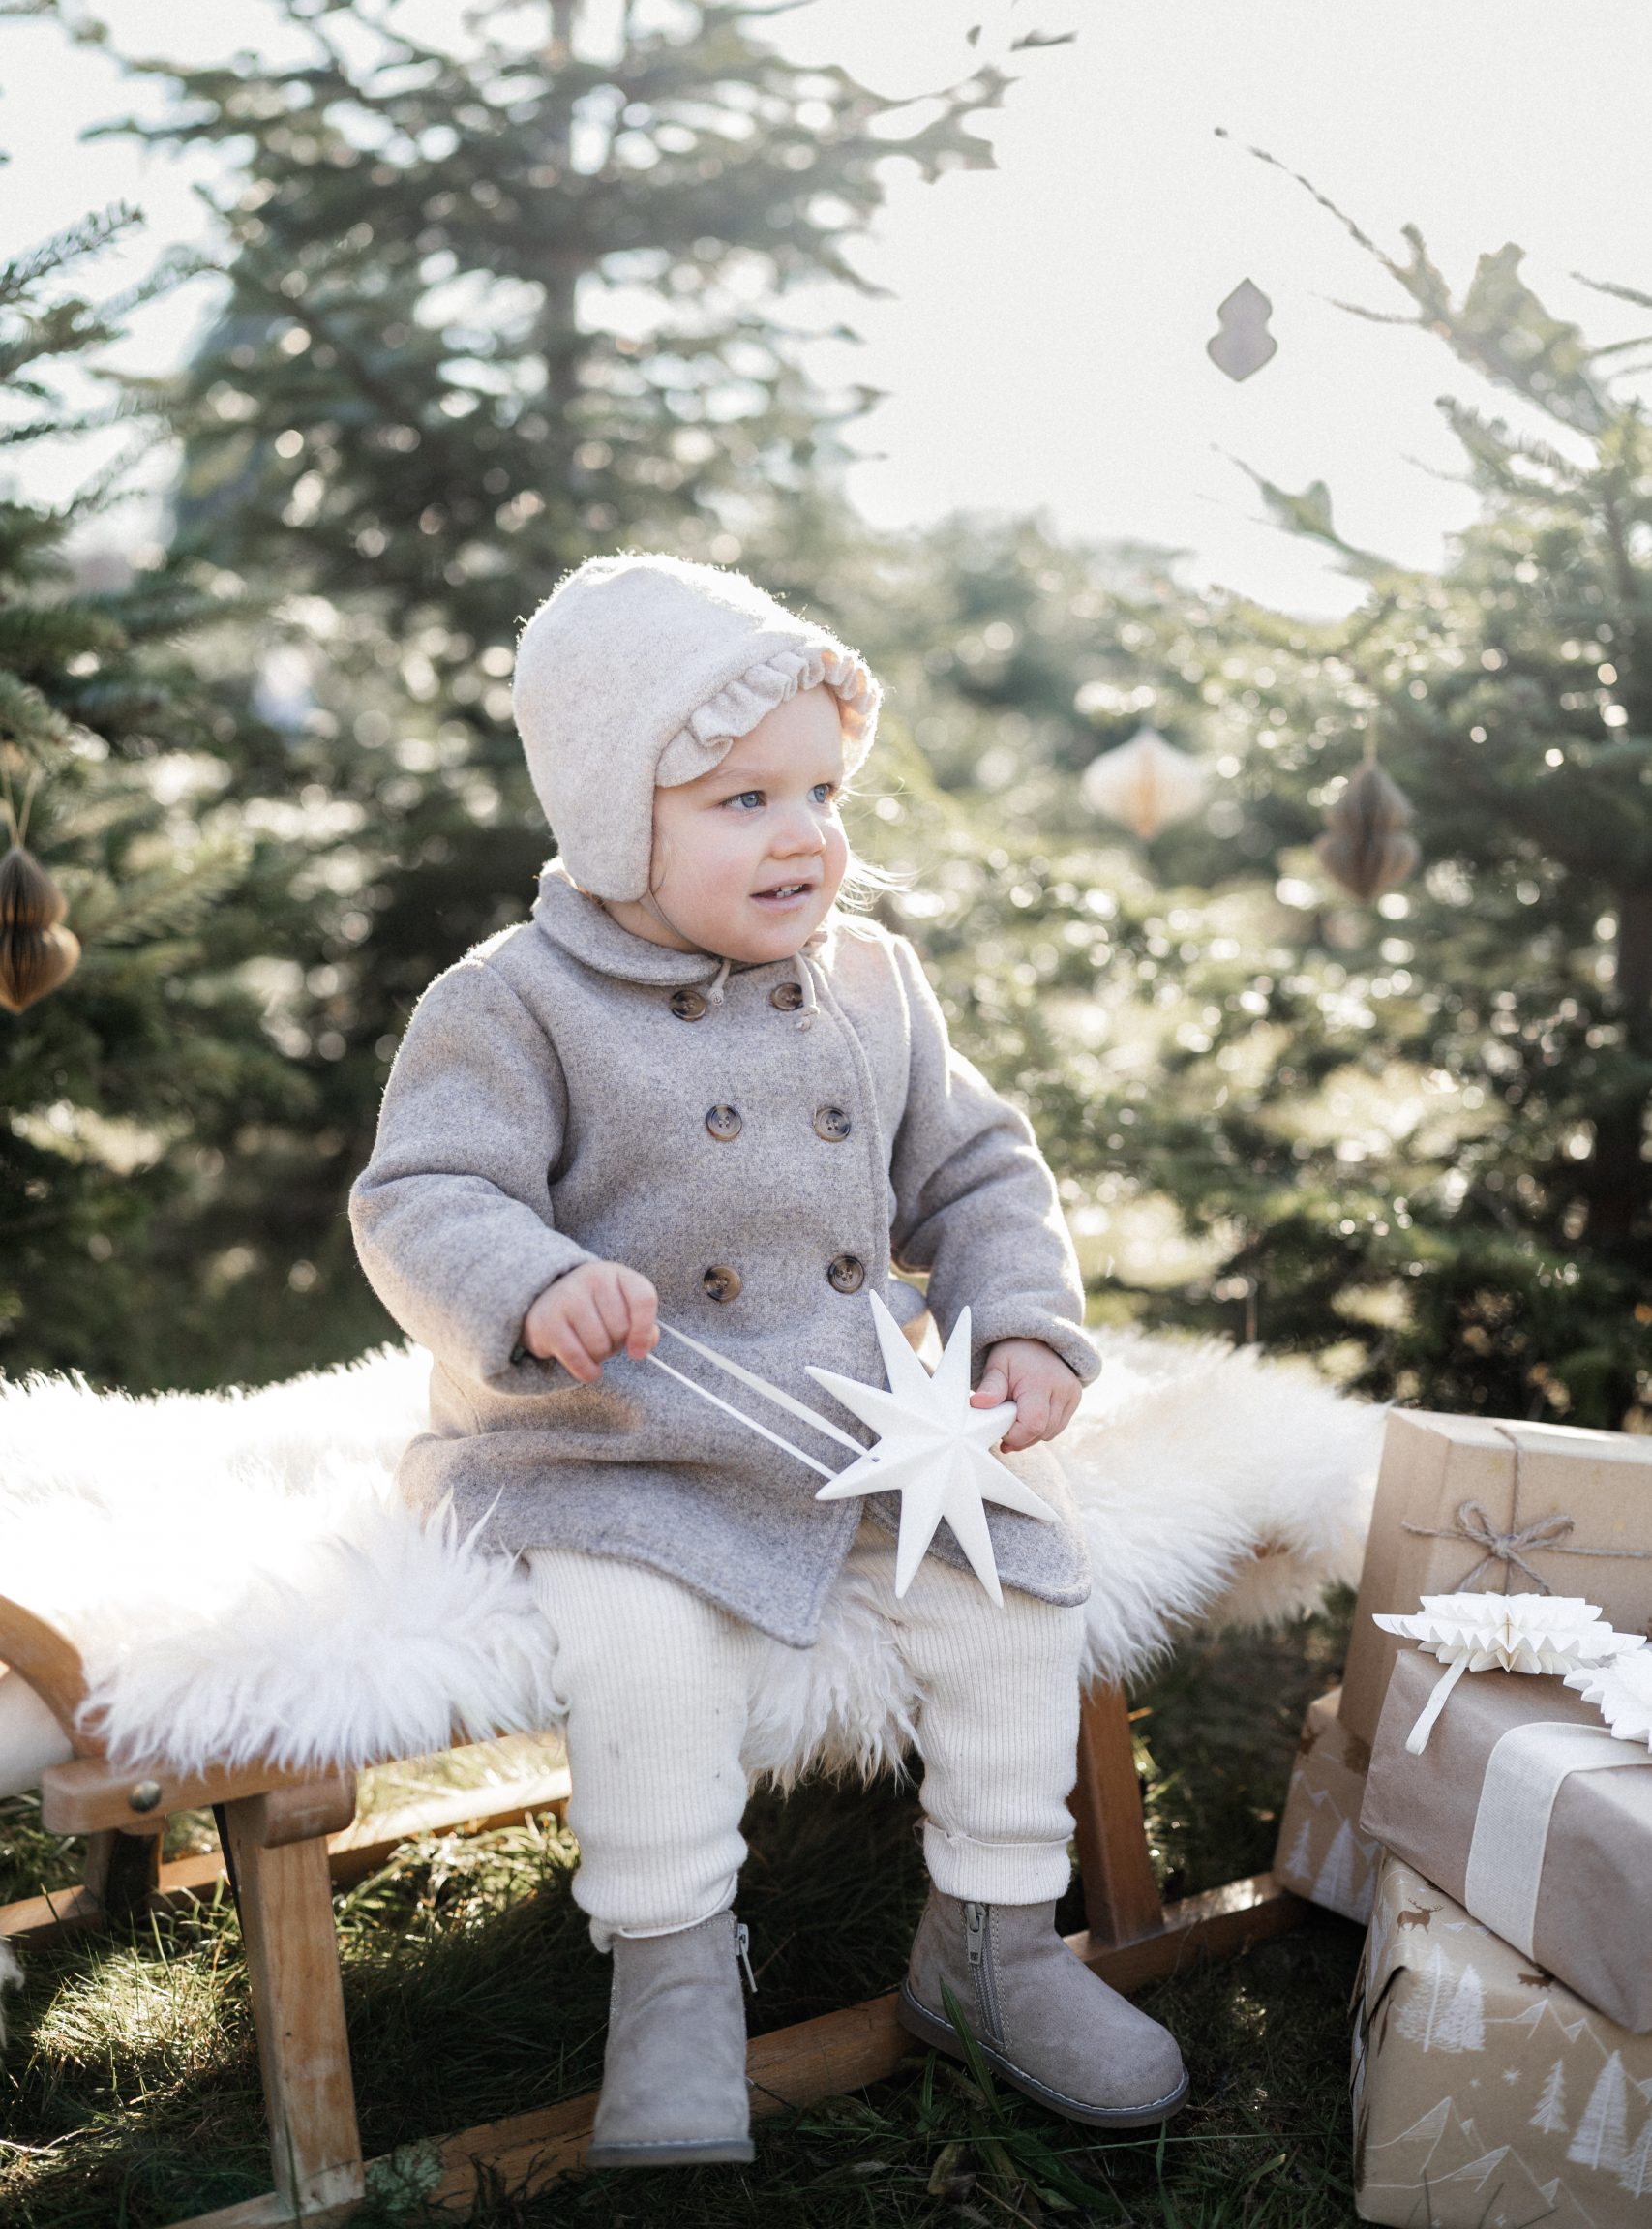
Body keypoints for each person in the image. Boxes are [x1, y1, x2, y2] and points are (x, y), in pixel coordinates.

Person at [349, 552, 1187, 2166]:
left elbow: (980, 1173)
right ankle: (669, 1977)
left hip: (862, 1416)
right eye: (744, 800)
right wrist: (532, 1282)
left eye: (821, 791)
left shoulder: (869, 983)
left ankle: (997, 1936)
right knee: (645, 1645)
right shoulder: (515, 1002)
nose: (804, 834)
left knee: (1021, 1577)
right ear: (614, 818)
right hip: (620, 1436)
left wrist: (1020, 1321)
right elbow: (424, 1195)